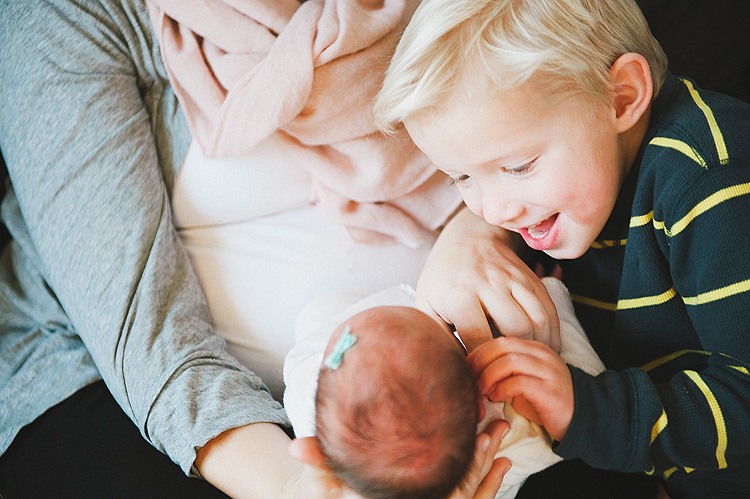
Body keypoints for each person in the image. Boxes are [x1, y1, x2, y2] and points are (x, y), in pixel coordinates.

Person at [0, 1, 510, 498]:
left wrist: (479, 228)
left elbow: (527, 140)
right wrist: (292, 487)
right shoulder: (69, 14)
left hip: (440, 409)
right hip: (127, 394)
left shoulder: (451, 11)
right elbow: (141, 326)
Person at [373, 0, 750, 497]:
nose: (495, 211)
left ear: (622, 97)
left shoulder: (710, 181)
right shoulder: (575, 187)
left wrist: (583, 409)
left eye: (518, 166)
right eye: (461, 177)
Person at [283, 278, 606, 499]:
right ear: (480, 401)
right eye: (452, 332)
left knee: (317, 312)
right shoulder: (521, 429)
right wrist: (547, 291)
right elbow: (590, 380)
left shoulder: (314, 400)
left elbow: (304, 353)